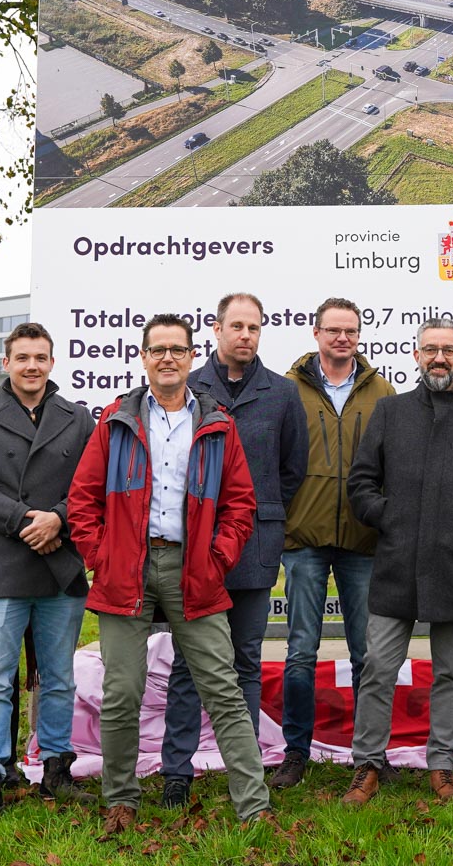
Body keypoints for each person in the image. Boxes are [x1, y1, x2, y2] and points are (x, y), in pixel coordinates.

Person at [65, 314, 274, 834]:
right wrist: (101, 556)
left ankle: (254, 806)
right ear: (143, 357)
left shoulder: (217, 424)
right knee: (122, 693)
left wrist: (218, 557)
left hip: (193, 568)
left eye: (177, 349)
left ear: (191, 357)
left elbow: (241, 504)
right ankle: (120, 799)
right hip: (126, 568)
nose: (167, 358)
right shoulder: (116, 420)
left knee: (223, 689)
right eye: (157, 349)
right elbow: (83, 500)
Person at [341, 318, 453, 810]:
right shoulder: (390, 412)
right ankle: (368, 765)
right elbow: (361, 482)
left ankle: (442, 767)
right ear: (416, 356)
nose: (439, 358)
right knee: (378, 668)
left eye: (448, 350)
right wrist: (389, 517)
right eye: (431, 349)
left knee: (450, 673)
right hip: (395, 563)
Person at [160, 293, 307, 806]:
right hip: (195, 546)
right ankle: (176, 772)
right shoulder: (190, 386)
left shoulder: (282, 393)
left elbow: (292, 470)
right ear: (217, 329)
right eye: (237, 326)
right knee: (188, 663)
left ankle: (240, 772)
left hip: (254, 547)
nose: (246, 335)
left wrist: (260, 512)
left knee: (245, 660)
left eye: (254, 327)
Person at [0, 322, 96, 821]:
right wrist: (26, 522)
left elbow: (90, 487)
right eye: (22, 358)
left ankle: (57, 770)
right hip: (3, 564)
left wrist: (58, 518)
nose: (32, 366)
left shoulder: (79, 419)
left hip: (61, 566)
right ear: (7, 363)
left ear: (52, 363)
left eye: (40, 357)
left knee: (58, 678)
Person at [274, 297, 395, 788]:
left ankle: (370, 756)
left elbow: (392, 464)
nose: (342, 338)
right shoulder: (287, 389)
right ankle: (295, 753)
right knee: (301, 651)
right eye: (333, 330)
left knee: (367, 654)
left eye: (351, 331)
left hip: (363, 541)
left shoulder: (382, 391)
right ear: (316, 333)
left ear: (359, 336)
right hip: (304, 538)